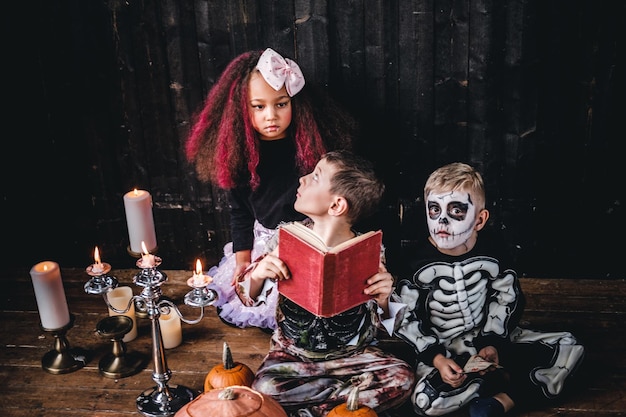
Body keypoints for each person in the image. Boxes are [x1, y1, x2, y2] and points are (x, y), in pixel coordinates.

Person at [393, 162, 585, 417]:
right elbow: (405, 319)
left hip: (491, 337)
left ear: (480, 219)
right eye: (434, 210)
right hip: (443, 350)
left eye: (457, 210)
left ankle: (502, 400)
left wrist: (492, 342)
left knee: (571, 345)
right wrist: (437, 359)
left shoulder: (492, 249)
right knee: (425, 403)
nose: (442, 220)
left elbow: (507, 296)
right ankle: (503, 383)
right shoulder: (414, 261)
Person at [233, 150, 415, 417]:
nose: (302, 179)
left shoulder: (370, 253)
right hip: (293, 357)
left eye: (315, 177)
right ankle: (343, 406)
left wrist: (385, 300)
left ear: (336, 206)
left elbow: (386, 325)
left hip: (353, 358)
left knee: (403, 377)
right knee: (266, 388)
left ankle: (311, 411)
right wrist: (258, 275)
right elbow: (247, 296)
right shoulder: (284, 240)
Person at [185, 48, 355, 330]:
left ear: (296, 103)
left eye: (281, 104)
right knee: (255, 301)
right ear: (242, 109)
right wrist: (243, 262)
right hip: (265, 247)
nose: (271, 116)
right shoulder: (237, 154)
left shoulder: (314, 147)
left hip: (314, 239)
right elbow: (240, 212)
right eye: (259, 106)